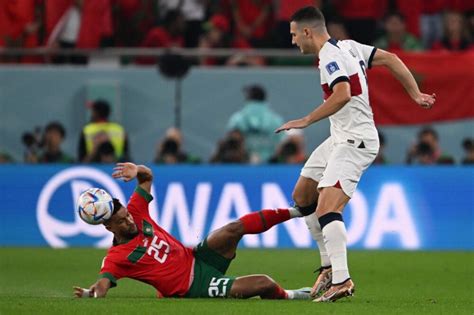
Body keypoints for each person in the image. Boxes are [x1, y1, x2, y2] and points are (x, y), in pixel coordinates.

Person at [275, 7, 436, 302]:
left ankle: (342, 280)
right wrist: (415, 94)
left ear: (308, 32)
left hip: (355, 140)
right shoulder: (347, 45)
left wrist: (306, 120)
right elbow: (391, 58)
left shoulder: (329, 56)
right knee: (303, 195)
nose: (294, 40)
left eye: (294, 34)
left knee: (327, 207)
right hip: (339, 137)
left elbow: (343, 94)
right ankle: (328, 266)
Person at [73, 162, 310, 300]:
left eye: (125, 214)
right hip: (194, 286)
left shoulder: (136, 211)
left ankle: (298, 211)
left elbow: (147, 177)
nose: (129, 221)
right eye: (122, 222)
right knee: (264, 283)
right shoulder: (116, 257)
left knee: (232, 229)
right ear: (108, 227)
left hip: (196, 257)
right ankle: (292, 295)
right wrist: (90, 293)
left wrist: (137, 170)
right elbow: (103, 284)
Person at [227, 84, 285, 164]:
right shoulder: (276, 120)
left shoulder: (237, 119)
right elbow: (282, 144)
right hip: (271, 167)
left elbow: (230, 144)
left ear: (248, 98)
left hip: (241, 166)